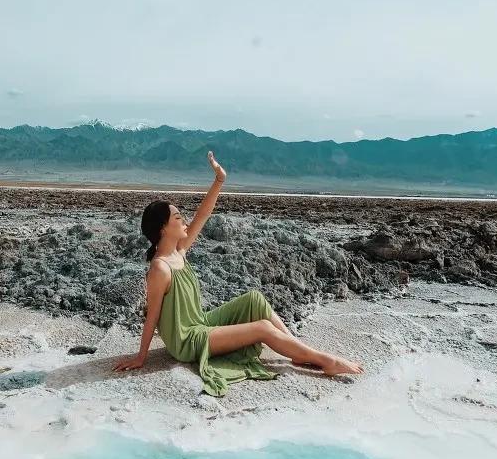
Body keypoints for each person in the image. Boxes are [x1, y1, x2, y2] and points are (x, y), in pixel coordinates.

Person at [114, 152, 364, 397]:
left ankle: (298, 351)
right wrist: (141, 356)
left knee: (254, 299)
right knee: (263, 328)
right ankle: (325, 361)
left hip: (200, 323)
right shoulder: (160, 268)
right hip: (187, 341)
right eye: (178, 218)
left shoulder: (179, 251)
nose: (185, 220)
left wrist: (219, 180)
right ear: (163, 229)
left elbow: (203, 215)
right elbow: (152, 316)